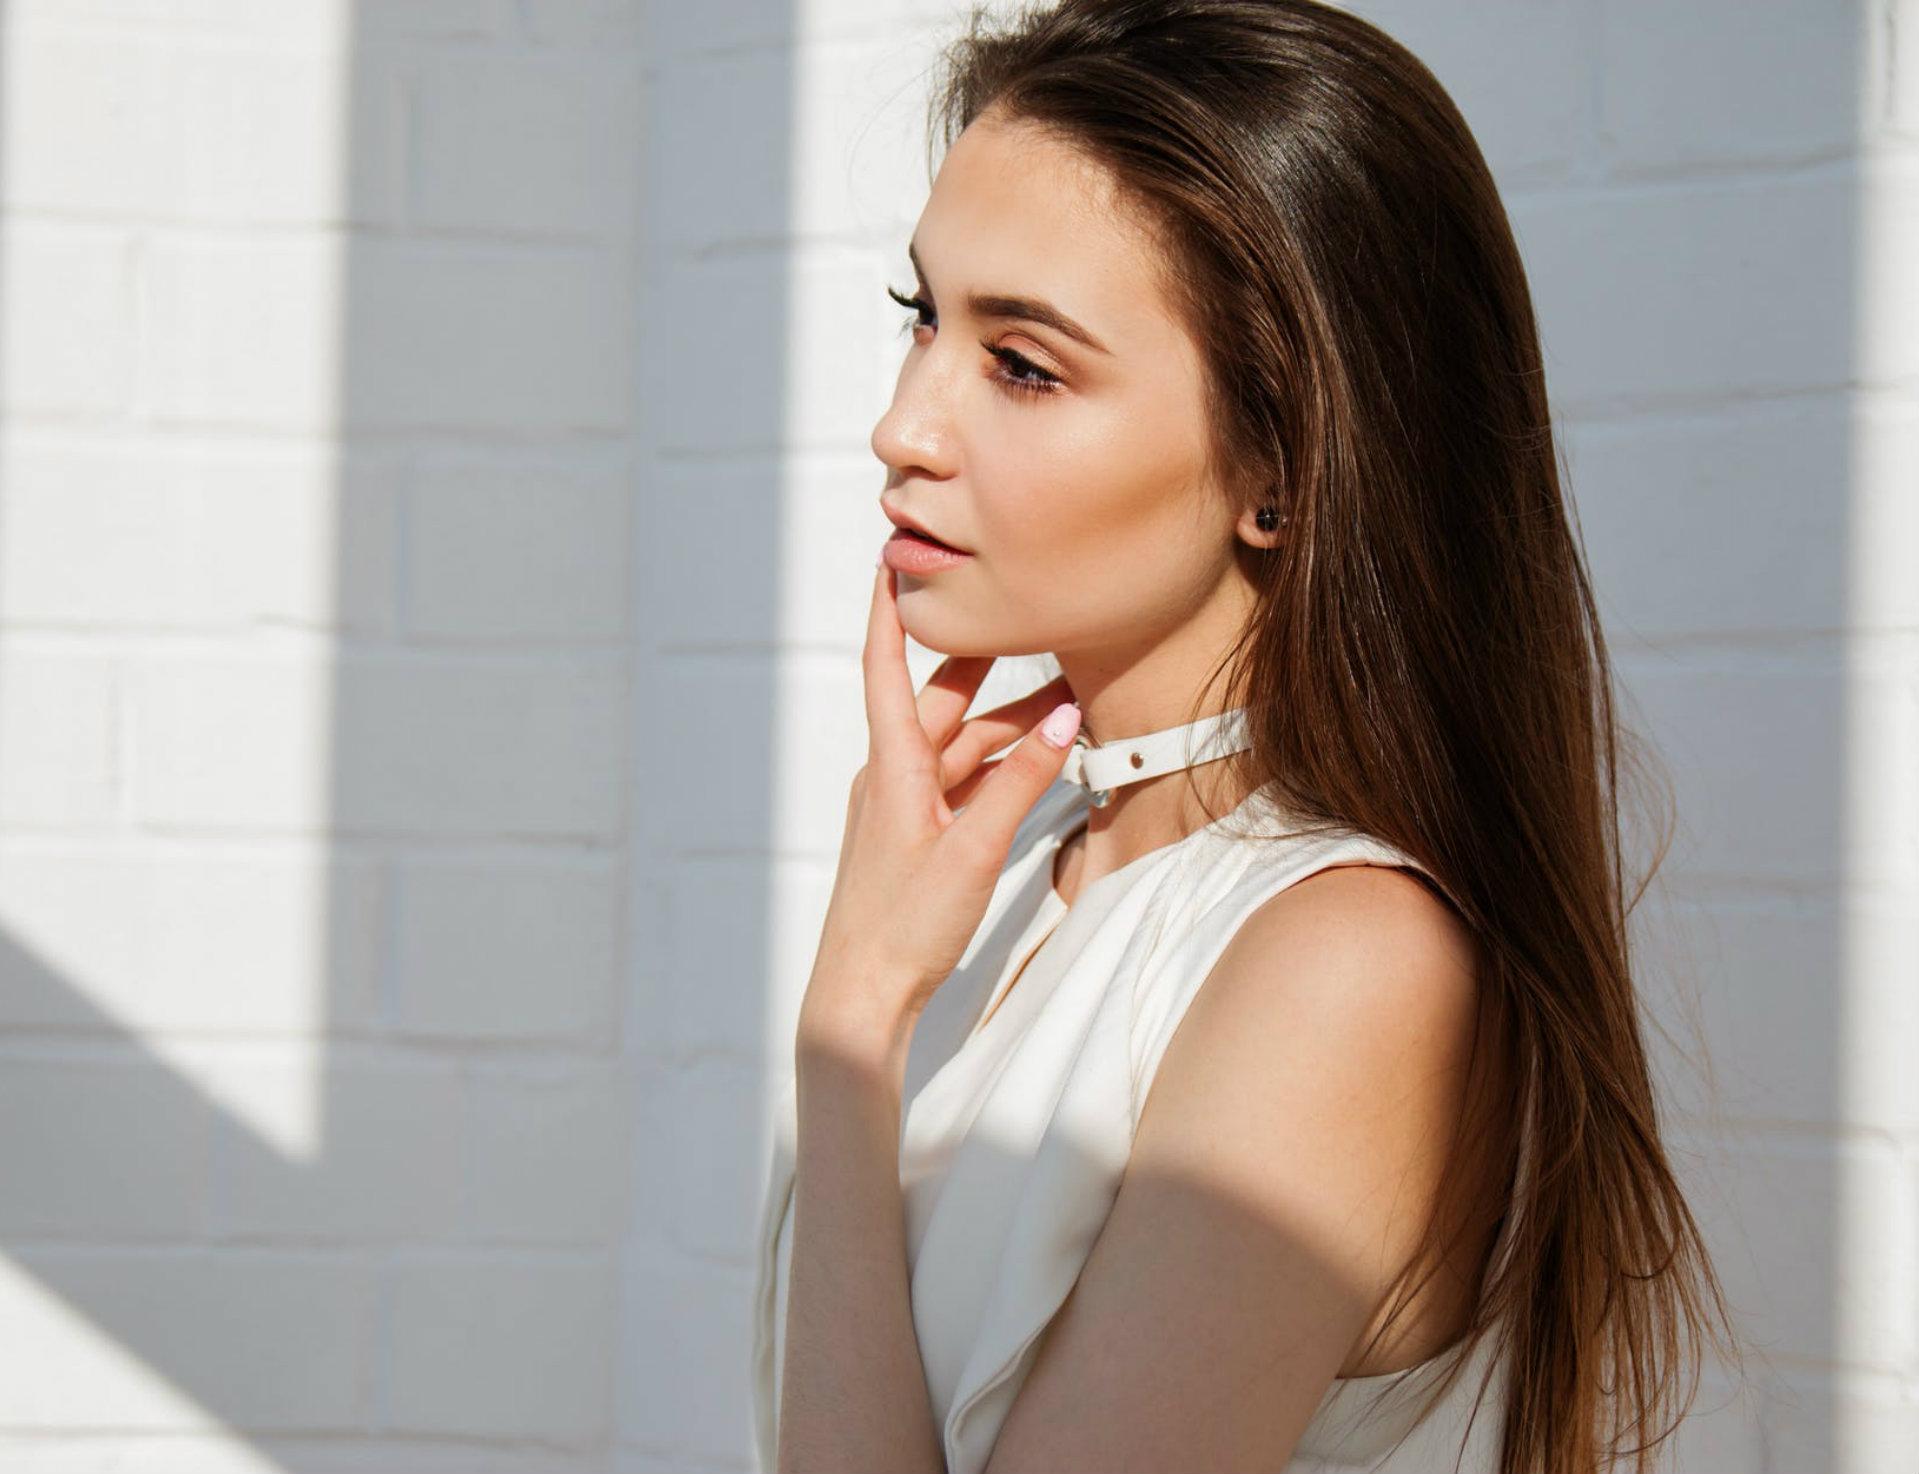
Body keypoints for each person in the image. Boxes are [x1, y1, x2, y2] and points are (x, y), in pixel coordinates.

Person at [751, 2, 1731, 1470]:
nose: (906, 424)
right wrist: (865, 996)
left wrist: (850, 1022)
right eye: (924, 319)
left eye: (1022, 363)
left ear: (1276, 466)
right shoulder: (1027, 871)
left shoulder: (1346, 965)